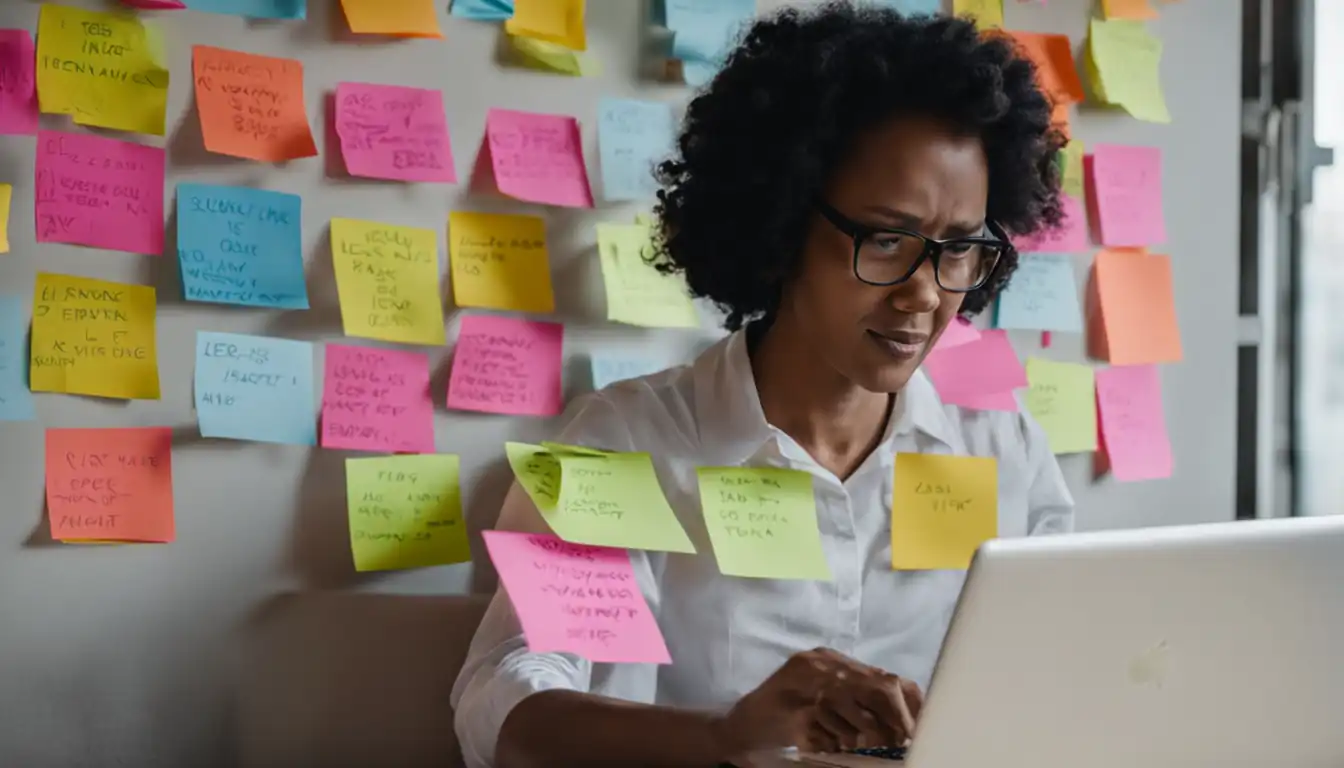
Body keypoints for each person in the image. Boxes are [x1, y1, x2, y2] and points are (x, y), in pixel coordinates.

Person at [452, 4, 1073, 767]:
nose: (923, 295)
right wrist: (725, 738)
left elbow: (1062, 683)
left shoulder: (1005, 452)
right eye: (885, 241)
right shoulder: (621, 446)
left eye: (958, 250)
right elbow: (505, 706)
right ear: (779, 226)